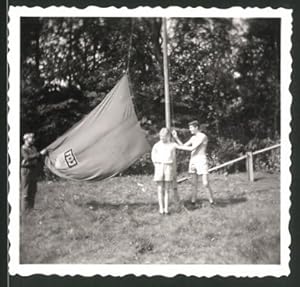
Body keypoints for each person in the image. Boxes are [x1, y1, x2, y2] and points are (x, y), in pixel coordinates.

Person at [172, 121, 214, 205]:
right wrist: (176, 138)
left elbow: (192, 148)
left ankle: (212, 201)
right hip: (193, 160)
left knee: (205, 183)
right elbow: (184, 146)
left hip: (201, 160)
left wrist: (176, 146)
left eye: (191, 127)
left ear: (196, 127)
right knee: (193, 183)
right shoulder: (193, 138)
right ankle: (193, 201)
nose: (189, 129)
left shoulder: (202, 136)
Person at [151, 128, 177, 215]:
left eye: (164, 136)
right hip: (159, 166)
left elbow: (173, 158)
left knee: (167, 189)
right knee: (159, 189)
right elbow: (153, 157)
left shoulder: (172, 145)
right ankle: (161, 209)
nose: (162, 138)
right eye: (161, 136)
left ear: (167, 136)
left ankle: (166, 209)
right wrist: (157, 166)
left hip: (168, 167)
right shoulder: (157, 145)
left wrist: (172, 169)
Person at [21, 133, 47, 212]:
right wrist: (39, 154)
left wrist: (42, 155)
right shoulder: (23, 148)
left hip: (33, 170)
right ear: (26, 139)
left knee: (33, 190)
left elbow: (37, 158)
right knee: (26, 191)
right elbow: (27, 157)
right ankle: (25, 211)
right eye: (31, 138)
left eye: (33, 138)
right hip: (26, 170)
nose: (33, 139)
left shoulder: (34, 148)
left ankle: (31, 209)